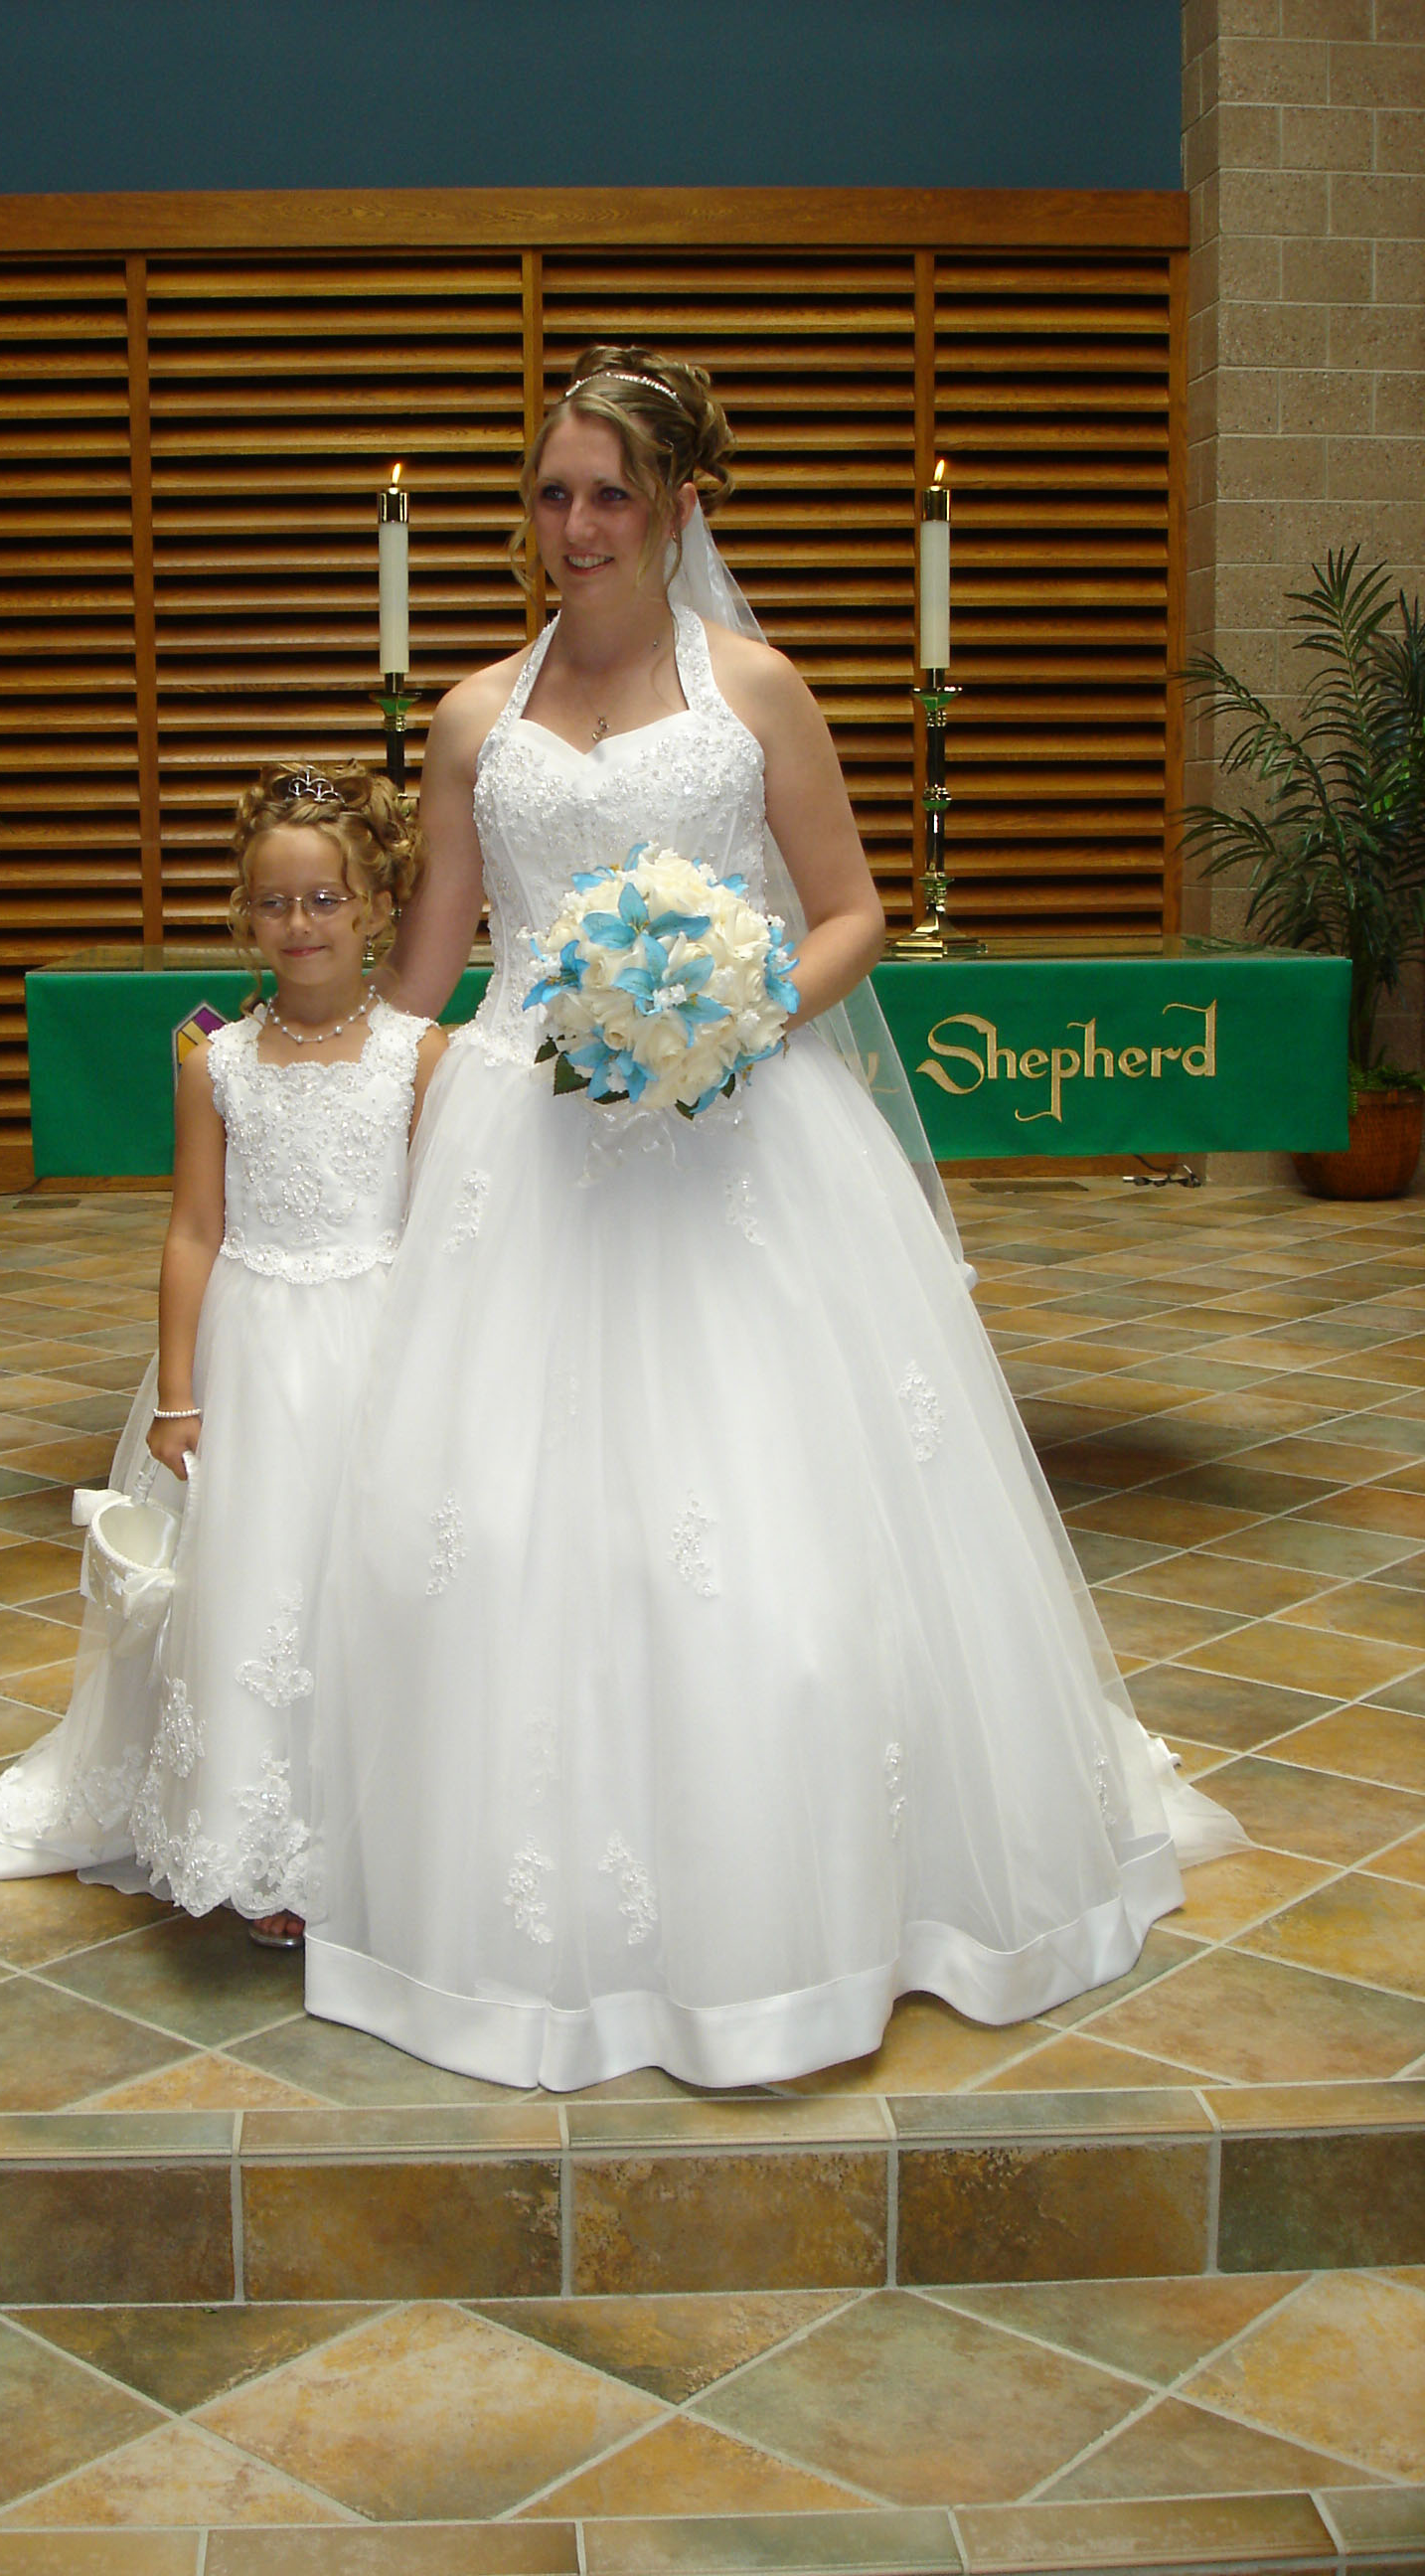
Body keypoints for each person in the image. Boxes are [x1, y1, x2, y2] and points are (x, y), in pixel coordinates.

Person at [302, 345, 1241, 2086]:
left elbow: (850, 913)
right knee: (494, 1519)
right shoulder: (470, 717)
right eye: (550, 493)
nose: (575, 524)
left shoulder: (755, 689)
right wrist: (299, 1046)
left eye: (609, 493)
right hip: (527, 1142)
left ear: (677, 507)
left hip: (737, 1131)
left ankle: (813, 1897)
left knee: (765, 1521)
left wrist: (730, 1023)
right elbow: (428, 972)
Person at [0, 762, 443, 1944]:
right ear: (243, 915)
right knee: (256, 1589)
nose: (299, 924)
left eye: (325, 900)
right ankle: (265, 1849)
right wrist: (176, 1391)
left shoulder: (420, 1056)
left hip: (375, 1344)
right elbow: (195, 1230)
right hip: (253, 1354)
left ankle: (372, 1840)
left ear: (375, 907)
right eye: (274, 902)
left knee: (365, 1585)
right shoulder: (217, 1065)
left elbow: (437, 1228)